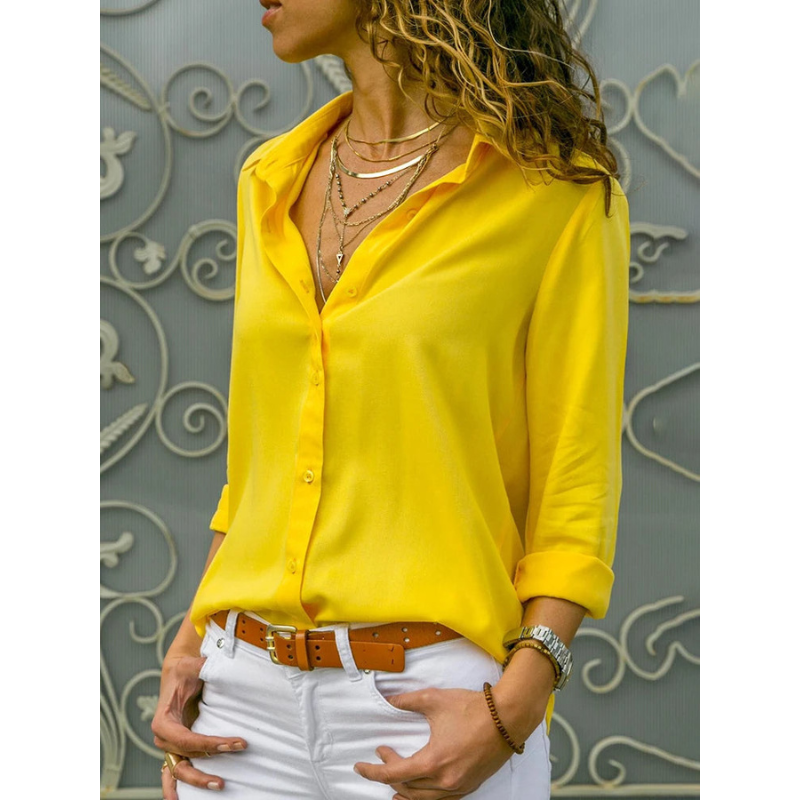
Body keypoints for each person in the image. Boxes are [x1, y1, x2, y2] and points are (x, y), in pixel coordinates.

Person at [151, 1, 630, 798]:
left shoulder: (554, 191)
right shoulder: (269, 178)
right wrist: (191, 641)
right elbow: (260, 469)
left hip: (430, 706)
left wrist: (517, 703)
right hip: (239, 702)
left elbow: (574, 487)